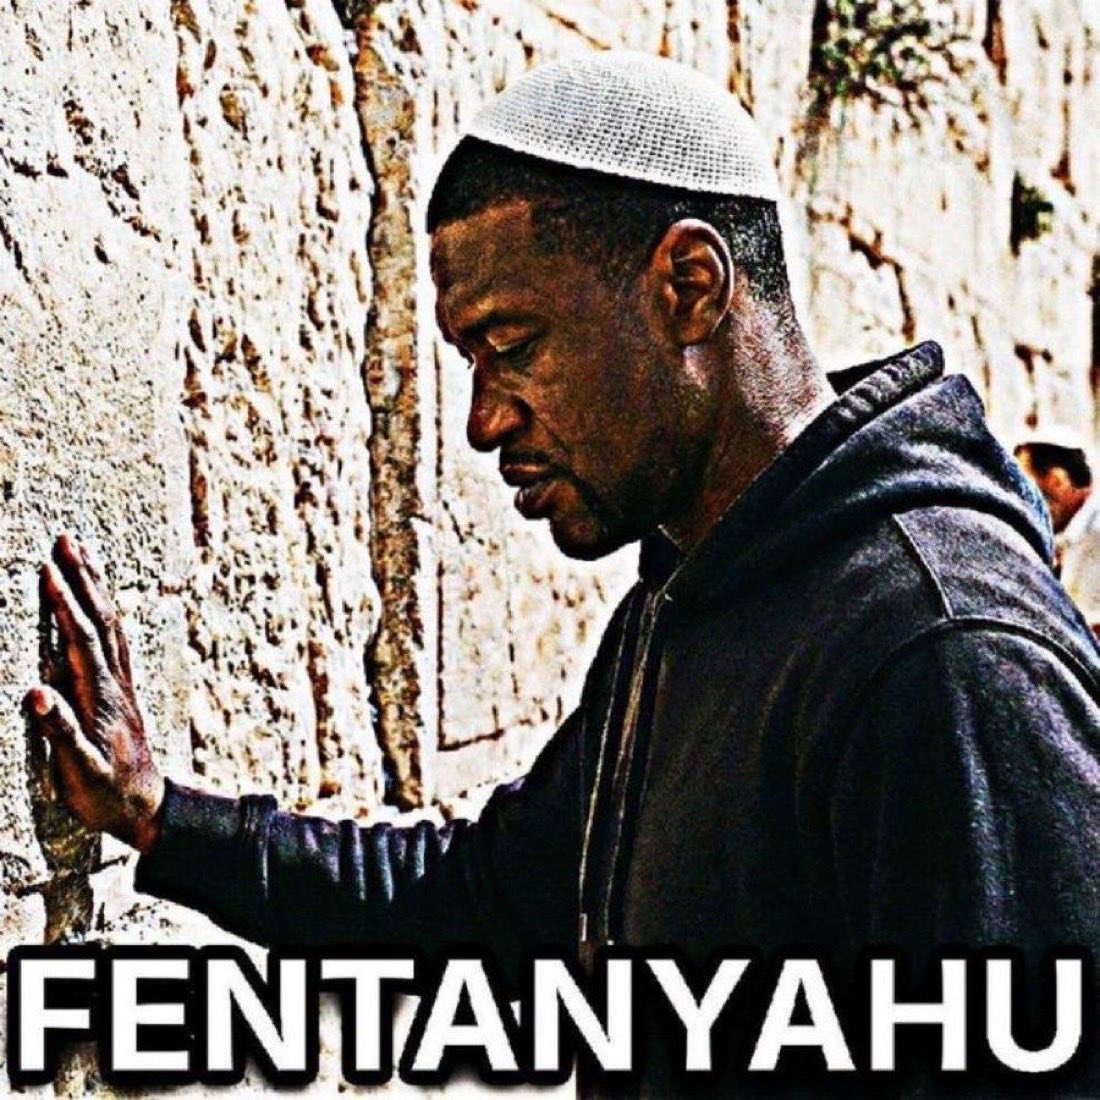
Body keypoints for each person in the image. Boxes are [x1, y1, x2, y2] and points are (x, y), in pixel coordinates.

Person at [24, 53, 1100, 1092]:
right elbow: (486, 898)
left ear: (688, 286)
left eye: (513, 344)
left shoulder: (944, 654)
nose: (483, 420)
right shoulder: (688, 601)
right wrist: (160, 816)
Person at [1015, 430, 1100, 634]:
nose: (1023, 502)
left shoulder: (1095, 535)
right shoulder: (1071, 535)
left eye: (1028, 489)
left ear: (1057, 481)